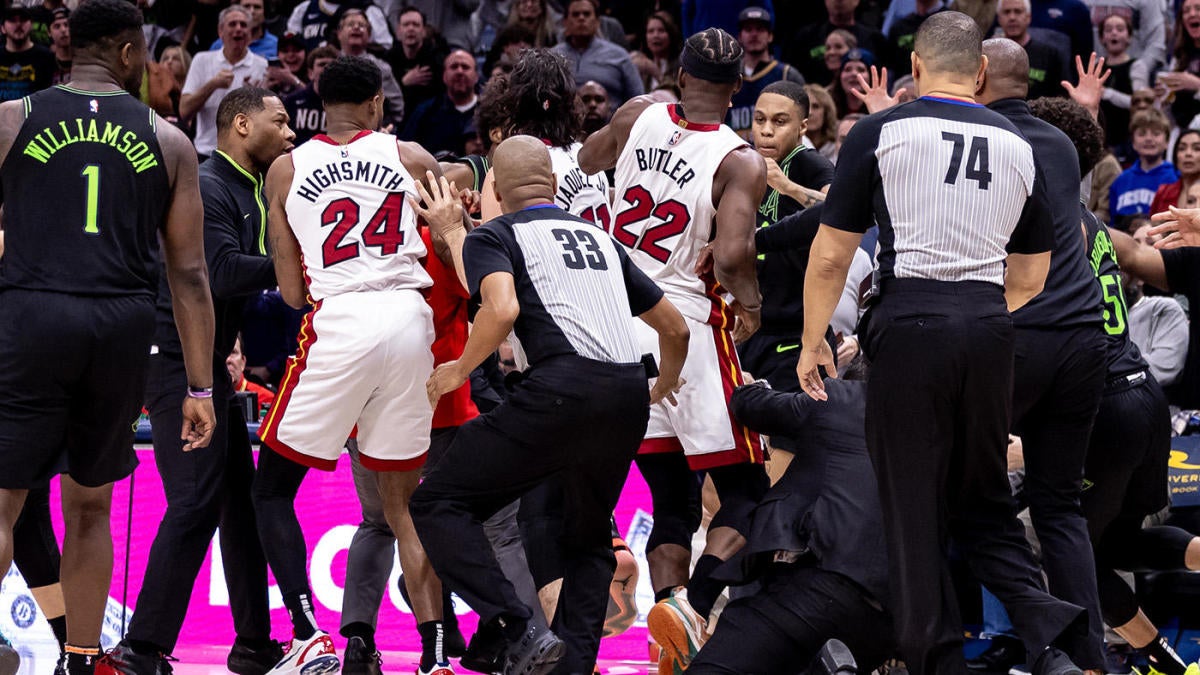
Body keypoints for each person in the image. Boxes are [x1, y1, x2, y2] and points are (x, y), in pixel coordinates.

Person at [796, 12, 1092, 675]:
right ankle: (1054, 645)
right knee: (984, 498)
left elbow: (828, 257)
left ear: (916, 67)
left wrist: (814, 340)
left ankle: (938, 662)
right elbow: (1035, 273)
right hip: (991, 326)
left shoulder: (882, 130)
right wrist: (977, 310)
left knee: (911, 508)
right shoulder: (1018, 142)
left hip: (910, 323)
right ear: (981, 71)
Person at [409, 134, 689, 675]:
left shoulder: (496, 233)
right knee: (587, 542)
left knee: (436, 504)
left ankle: (516, 628)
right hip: (626, 394)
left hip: (560, 388)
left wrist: (460, 369)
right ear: (555, 184)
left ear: (493, 185)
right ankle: (571, 667)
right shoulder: (601, 239)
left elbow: (501, 306)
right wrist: (660, 386)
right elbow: (674, 328)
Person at [0, 1, 217, 674]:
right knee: (91, 504)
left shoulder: (12, 119)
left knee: (4, 499)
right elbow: (188, 274)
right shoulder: (170, 139)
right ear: (128, 55)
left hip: (31, 312)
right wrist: (200, 386)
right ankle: (81, 658)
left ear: (69, 48)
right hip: (120, 323)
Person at [578, 26, 769, 674]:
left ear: (680, 75)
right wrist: (751, 305)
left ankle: (670, 626)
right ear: (740, 88)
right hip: (682, 323)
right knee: (748, 494)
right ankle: (698, 603)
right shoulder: (740, 159)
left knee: (672, 498)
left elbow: (586, 160)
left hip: (617, 319)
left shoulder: (639, 113)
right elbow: (737, 254)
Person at [254, 54, 451, 675]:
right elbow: (454, 247)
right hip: (410, 319)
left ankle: (309, 631)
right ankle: (436, 656)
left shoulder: (285, 170)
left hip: (341, 320)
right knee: (402, 506)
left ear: (318, 100)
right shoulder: (413, 157)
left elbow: (289, 292)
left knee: (271, 488)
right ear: (376, 105)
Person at [100, 87, 294, 675]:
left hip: (205, 362)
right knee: (194, 501)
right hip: (173, 360)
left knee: (240, 502)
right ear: (239, 124)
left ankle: (253, 642)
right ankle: (143, 647)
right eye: (279, 121)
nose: (290, 133)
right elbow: (220, 270)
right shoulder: (211, 186)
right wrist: (300, 263)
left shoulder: (249, 188)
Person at [971, 39, 1108, 674]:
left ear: (974, 77)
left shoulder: (979, 139)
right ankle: (1088, 658)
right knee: (1060, 506)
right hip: (1086, 340)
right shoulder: (1057, 143)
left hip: (1020, 333)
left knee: (962, 495)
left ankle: (1028, 644)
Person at [687, 370, 894, 675]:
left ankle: (691, 605)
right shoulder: (942, 428)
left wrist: (752, 385)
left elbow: (750, 405)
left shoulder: (839, 398)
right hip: (890, 619)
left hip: (817, 588)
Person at [180, 5, 268, 157]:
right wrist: (212, 85)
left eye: (244, 25)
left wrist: (253, 97)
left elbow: (267, 119)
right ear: (220, 32)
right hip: (207, 153)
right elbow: (184, 111)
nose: (238, 28)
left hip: (247, 155)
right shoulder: (202, 60)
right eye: (232, 24)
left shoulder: (261, 65)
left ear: (250, 34)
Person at [726, 6, 804, 140]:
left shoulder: (788, 75)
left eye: (760, 29)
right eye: (748, 29)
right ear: (739, 36)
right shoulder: (727, 76)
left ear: (770, 36)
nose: (754, 34)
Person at [552, 0, 643, 107]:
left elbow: (638, 100)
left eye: (587, 14)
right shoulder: (552, 57)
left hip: (611, 121)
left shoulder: (619, 55)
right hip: (564, 121)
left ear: (597, 21)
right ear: (565, 22)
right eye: (575, 14)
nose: (581, 18)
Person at [332, 9, 405, 133]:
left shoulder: (381, 68)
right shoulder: (328, 65)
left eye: (362, 25)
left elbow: (397, 108)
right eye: (350, 24)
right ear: (339, 33)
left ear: (369, 34)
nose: (356, 27)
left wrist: (384, 128)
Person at [400, 49, 478, 158]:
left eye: (465, 67)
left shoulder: (489, 112)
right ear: (444, 76)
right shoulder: (424, 112)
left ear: (476, 76)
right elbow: (405, 151)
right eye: (454, 66)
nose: (460, 71)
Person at [1111, 109, 1178, 229]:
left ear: (1167, 142)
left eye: (1156, 134)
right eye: (1142, 134)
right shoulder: (1121, 180)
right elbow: (1112, 221)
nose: (1148, 139)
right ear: (1133, 143)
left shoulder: (1175, 177)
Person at [996, 0, 1072, 99]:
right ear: (999, 19)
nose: (1012, 17)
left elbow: (1063, 97)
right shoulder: (991, 55)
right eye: (1006, 12)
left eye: (1018, 11)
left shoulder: (1050, 55)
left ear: (1028, 17)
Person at [385, 6, 447, 117]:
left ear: (423, 31)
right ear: (398, 30)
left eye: (416, 25)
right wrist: (403, 83)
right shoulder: (390, 58)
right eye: (406, 25)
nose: (411, 29)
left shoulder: (436, 57)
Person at [0, 5, 57, 101]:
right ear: (2, 28)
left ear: (31, 25)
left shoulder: (46, 57)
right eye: (12, 20)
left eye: (23, 19)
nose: (18, 24)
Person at [282, 45, 336, 144]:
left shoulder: (345, 104)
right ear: (310, 73)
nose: (327, 68)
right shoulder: (292, 102)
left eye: (331, 64)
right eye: (322, 64)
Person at [211, 0, 277, 58]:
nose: (252, 11)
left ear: (265, 13)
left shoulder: (275, 45)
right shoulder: (219, 45)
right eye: (246, 6)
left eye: (257, 7)